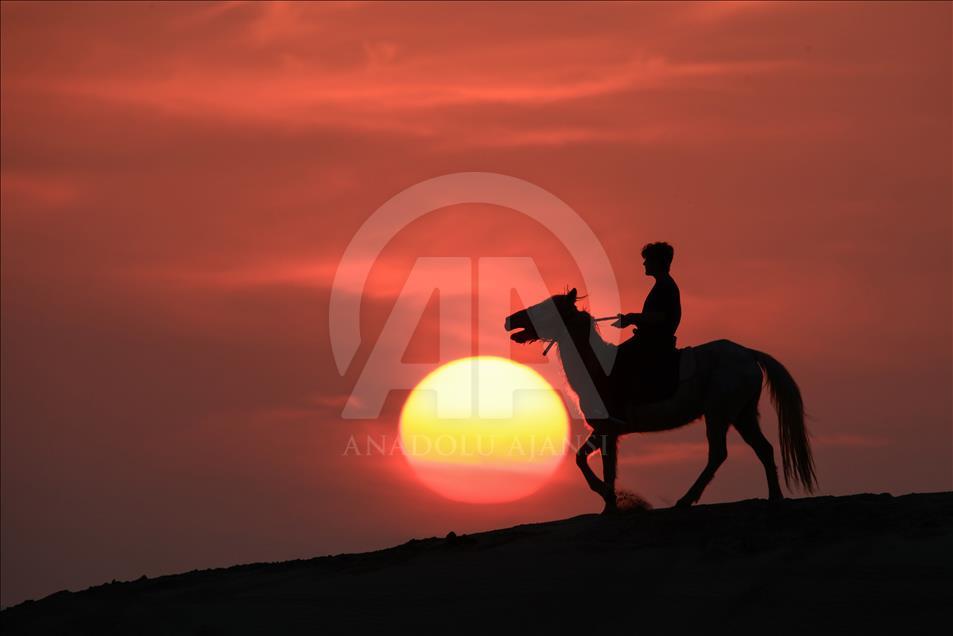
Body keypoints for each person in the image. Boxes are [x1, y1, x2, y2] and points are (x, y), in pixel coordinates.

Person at [611, 242, 681, 404]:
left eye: (648, 259)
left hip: (653, 343)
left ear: (659, 262)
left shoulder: (665, 286)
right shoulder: (663, 285)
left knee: (614, 361)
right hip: (650, 340)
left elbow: (662, 317)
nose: (644, 263)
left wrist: (632, 318)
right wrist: (631, 319)